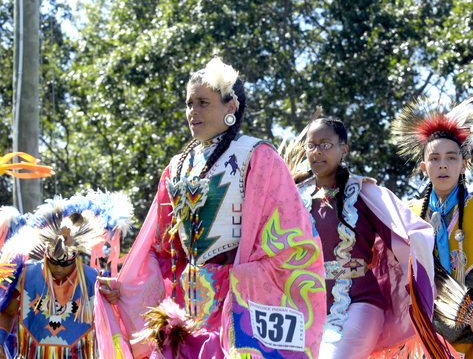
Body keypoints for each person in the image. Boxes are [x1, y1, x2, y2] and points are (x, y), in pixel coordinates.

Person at [96, 58, 326, 359]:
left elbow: (290, 241)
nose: (193, 111)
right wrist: (124, 286)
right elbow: (161, 249)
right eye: (189, 103)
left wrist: (239, 277)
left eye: (203, 102)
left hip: (234, 304)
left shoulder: (257, 156)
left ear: (231, 107)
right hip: (181, 311)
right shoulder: (177, 167)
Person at [290, 117, 445, 359]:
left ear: (344, 150)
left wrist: (426, 281)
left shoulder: (364, 193)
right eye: (311, 145)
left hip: (359, 303)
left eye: (326, 144)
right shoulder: (293, 198)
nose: (317, 151)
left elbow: (408, 235)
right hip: (305, 309)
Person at [392, 92, 473, 359]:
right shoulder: (409, 215)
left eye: (451, 158)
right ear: (423, 167)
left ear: (464, 164)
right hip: (423, 337)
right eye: (435, 159)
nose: (443, 165)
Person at [0, 192, 132, 359]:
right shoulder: (25, 277)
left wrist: (116, 295)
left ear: (76, 256)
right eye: (53, 263)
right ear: (45, 254)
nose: (59, 269)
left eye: (65, 264)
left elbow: (114, 321)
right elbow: (7, 312)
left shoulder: (93, 280)